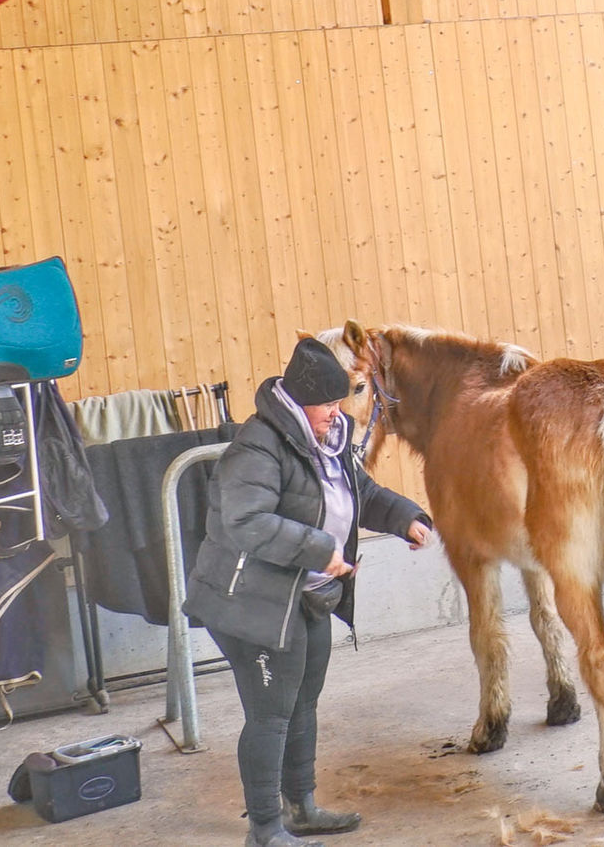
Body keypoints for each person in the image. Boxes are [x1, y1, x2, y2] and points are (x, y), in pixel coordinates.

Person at [186, 337, 433, 847]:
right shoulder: (257, 446)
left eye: (340, 402)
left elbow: (358, 492)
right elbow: (244, 521)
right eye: (327, 404)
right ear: (299, 401)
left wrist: (405, 516)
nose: (336, 412)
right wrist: (321, 549)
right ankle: (265, 830)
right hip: (251, 599)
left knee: (303, 705)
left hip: (309, 593)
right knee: (271, 713)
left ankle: (301, 807)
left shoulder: (330, 437)